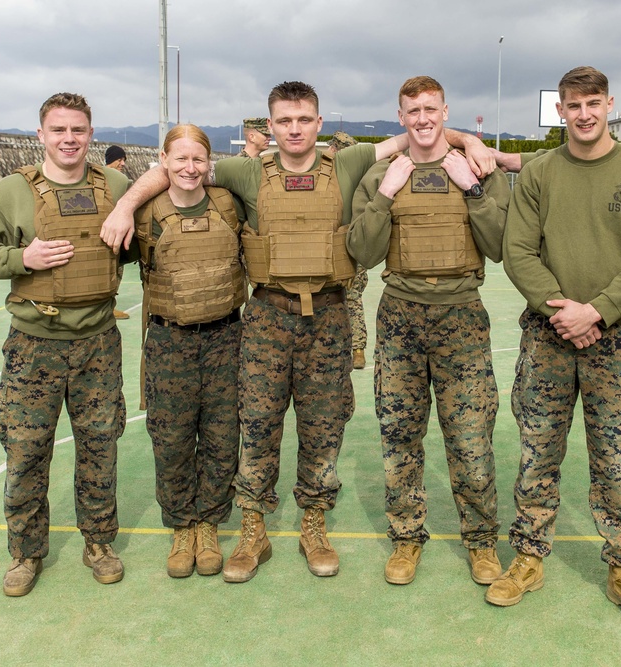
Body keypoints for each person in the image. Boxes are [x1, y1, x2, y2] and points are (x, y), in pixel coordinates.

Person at [100, 80, 495, 583]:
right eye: (284, 121)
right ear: (270, 126)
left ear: (319, 122)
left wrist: (471, 141)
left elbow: (421, 133)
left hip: (328, 317)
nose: (294, 129)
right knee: (258, 426)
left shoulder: (346, 163)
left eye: (304, 120)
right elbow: (176, 169)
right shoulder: (247, 170)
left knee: (323, 428)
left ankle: (314, 522)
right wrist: (121, 206)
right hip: (267, 316)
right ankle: (252, 530)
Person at [486, 67, 621, 628]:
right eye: (573, 105)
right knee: (538, 452)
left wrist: (599, 311)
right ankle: (529, 556)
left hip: (614, 340)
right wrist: (563, 310)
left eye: (593, 102)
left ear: (610, 104)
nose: (584, 113)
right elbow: (518, 251)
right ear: (559, 110)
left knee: (616, 459)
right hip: (548, 337)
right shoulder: (541, 173)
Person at [0, 92, 129, 597]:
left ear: (91, 135)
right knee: (26, 451)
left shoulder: (115, 184)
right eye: (58, 130)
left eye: (78, 130)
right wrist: (21, 259)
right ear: (41, 136)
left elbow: (153, 195)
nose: (69, 139)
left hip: (98, 341)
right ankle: (26, 552)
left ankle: (99, 542)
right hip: (35, 344)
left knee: (100, 446)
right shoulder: (12, 191)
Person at [348, 76, 508, 587]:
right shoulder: (381, 175)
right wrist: (386, 195)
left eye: (430, 109)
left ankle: (482, 543)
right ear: (401, 116)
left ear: (445, 111)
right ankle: (406, 538)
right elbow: (363, 254)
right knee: (399, 435)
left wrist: (473, 187)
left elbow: (500, 244)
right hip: (400, 316)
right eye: (412, 110)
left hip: (461, 315)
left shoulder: (477, 168)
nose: (422, 118)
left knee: (471, 439)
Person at [131, 124, 245, 579]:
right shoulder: (145, 214)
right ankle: (182, 525)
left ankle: (209, 524)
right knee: (172, 438)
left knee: (221, 436)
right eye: (180, 159)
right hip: (169, 339)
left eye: (198, 159)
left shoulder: (228, 205)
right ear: (163, 161)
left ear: (209, 162)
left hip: (225, 337)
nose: (190, 168)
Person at [328, 130, 370, 370]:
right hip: (354, 244)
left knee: (335, 299)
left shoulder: (331, 175)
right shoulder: (358, 177)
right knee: (353, 299)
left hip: (340, 244)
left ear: (335, 149)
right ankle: (358, 350)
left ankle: (348, 349)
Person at [105, 145, 131, 320]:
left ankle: (109, 306)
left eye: (124, 160)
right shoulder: (104, 179)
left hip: (117, 233)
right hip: (106, 232)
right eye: (119, 160)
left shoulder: (120, 180)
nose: (122, 163)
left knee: (117, 270)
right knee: (108, 270)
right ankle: (106, 308)